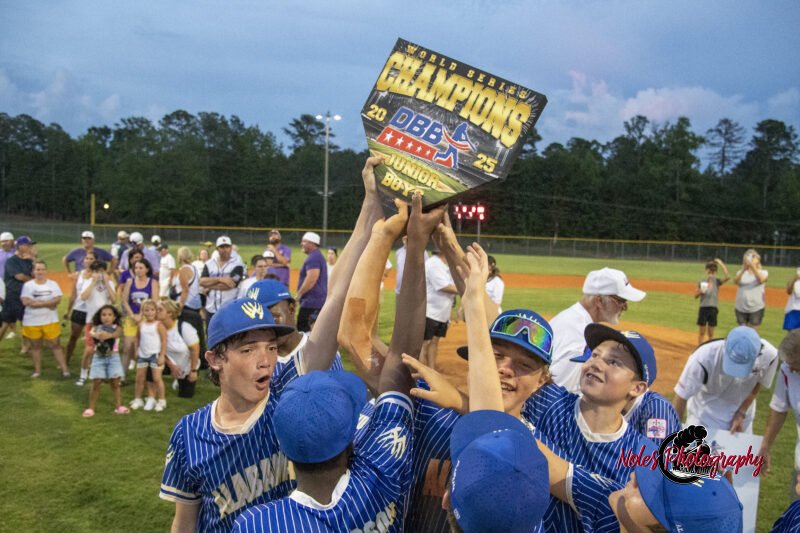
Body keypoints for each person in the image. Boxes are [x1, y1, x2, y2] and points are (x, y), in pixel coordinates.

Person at [159, 155, 387, 531]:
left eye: (269, 345)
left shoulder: (286, 397)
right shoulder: (189, 433)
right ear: (215, 359)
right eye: (248, 350)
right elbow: (184, 522)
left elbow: (336, 296)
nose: (266, 360)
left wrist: (370, 206)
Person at [233, 195, 438, 532]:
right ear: (351, 440)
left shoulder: (256, 523)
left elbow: (335, 295)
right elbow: (399, 365)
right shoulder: (379, 472)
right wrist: (414, 245)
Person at [548, 267, 646, 393]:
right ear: (599, 301)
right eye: (621, 301)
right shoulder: (578, 333)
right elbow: (558, 388)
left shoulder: (573, 319)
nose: (625, 307)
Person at [673, 325, 778, 433]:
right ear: (725, 346)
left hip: (742, 421)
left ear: (757, 354)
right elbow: (681, 396)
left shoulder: (769, 356)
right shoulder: (703, 357)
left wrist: (741, 412)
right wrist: (673, 436)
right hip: (703, 418)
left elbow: (757, 383)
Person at [758, 330, 800, 498]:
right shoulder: (787, 370)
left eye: (795, 367)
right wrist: (765, 445)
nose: (790, 369)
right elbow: (779, 409)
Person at [20, 260, 70, 378]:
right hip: (32, 321)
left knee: (56, 345)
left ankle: (65, 369)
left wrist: (36, 303)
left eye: (42, 269)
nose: (40, 272)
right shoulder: (28, 285)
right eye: (38, 269)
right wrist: (47, 303)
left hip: (50, 321)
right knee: (36, 347)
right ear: (33, 271)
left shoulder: (53, 284)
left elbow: (57, 300)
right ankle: (37, 371)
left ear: (46, 271)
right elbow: (25, 301)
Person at [74, 259, 116, 386]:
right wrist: (93, 281)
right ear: (92, 272)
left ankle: (101, 374)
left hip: (107, 323)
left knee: (106, 350)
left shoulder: (109, 283)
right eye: (96, 271)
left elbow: (113, 299)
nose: (99, 274)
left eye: (102, 271)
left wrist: (107, 282)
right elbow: (83, 297)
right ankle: (83, 374)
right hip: (92, 321)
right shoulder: (87, 282)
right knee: (89, 350)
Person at [82, 305, 128, 417]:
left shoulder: (117, 327)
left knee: (115, 383)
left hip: (114, 358)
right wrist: (97, 334)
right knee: (96, 382)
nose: (106, 317)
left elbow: (117, 334)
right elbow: (91, 333)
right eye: (104, 315)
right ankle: (91, 408)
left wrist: (107, 335)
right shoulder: (96, 327)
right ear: (99, 316)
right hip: (98, 358)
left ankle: (118, 407)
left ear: (114, 317)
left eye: (109, 315)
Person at [420, 251, 458, 369]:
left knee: (434, 342)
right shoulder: (433, 264)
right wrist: (466, 289)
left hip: (442, 313)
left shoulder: (446, 266)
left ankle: (431, 370)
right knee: (424, 344)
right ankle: (421, 373)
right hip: (430, 312)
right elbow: (443, 286)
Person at [156, 298, 201, 399]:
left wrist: (193, 371)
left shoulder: (184, 327)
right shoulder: (157, 327)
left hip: (187, 366)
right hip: (168, 362)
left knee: (185, 396)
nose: (156, 312)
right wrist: (171, 365)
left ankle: (180, 378)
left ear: (169, 313)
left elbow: (195, 350)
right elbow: (157, 350)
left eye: (160, 310)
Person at [121, 258, 159, 375]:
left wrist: (141, 315)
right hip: (131, 318)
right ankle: (122, 375)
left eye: (141, 268)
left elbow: (154, 300)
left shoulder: (152, 282)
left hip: (147, 319)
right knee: (127, 347)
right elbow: (124, 301)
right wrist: (132, 315)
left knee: (146, 348)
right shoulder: (129, 282)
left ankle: (148, 375)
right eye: (136, 268)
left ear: (147, 269)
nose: (138, 270)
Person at [130, 299, 167, 412]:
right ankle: (138, 399)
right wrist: (136, 349)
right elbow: (137, 338)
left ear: (156, 311)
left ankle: (161, 400)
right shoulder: (141, 324)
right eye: (147, 310)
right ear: (143, 312)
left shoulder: (159, 325)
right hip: (143, 355)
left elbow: (164, 341)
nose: (150, 312)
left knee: (156, 378)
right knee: (139, 378)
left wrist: (161, 356)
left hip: (155, 355)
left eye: (152, 310)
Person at [200, 235, 245, 328]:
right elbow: (201, 281)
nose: (225, 249)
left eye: (227, 246)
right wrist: (221, 279)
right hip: (211, 310)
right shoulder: (209, 264)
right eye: (222, 247)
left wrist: (210, 286)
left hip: (229, 310)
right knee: (211, 340)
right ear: (217, 249)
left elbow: (230, 285)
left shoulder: (238, 265)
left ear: (231, 248)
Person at [0, 235, 35, 346]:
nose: (30, 247)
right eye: (28, 245)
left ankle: (25, 346)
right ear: (20, 246)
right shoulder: (12, 261)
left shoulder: (28, 260)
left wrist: (33, 260)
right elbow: (20, 276)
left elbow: (36, 273)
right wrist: (33, 281)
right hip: (12, 295)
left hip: (24, 294)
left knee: (25, 321)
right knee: (5, 322)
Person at [63, 250, 97, 365]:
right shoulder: (78, 275)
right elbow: (73, 294)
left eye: (91, 259)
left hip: (93, 311)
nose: (88, 261)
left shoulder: (99, 276)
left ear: (96, 261)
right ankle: (65, 361)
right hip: (79, 310)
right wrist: (68, 310)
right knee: (73, 337)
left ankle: (92, 363)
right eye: (87, 258)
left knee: (93, 340)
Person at [172, 246, 206, 358]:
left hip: (186, 305)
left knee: (185, 332)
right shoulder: (194, 268)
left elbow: (185, 290)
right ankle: (199, 356)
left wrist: (179, 307)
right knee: (197, 333)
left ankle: (189, 357)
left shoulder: (183, 270)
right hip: (195, 304)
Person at [296, 231, 327, 332]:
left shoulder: (313, 258)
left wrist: (299, 294)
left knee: (305, 330)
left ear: (312, 243)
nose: (302, 244)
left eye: (304, 241)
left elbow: (311, 279)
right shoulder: (316, 256)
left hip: (312, 302)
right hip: (315, 301)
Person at [695, 258, 731, 344]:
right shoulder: (702, 281)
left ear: (715, 272)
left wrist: (721, 263)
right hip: (704, 307)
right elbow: (695, 295)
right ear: (706, 271)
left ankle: (709, 348)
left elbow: (728, 277)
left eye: (712, 271)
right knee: (702, 333)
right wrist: (701, 291)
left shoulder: (716, 281)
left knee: (710, 333)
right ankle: (699, 348)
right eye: (709, 271)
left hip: (712, 309)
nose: (711, 273)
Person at [734, 248, 768, 330]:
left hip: (756, 308)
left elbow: (761, 280)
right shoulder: (740, 272)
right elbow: (736, 281)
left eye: (753, 257)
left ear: (758, 260)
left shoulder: (763, 272)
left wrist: (753, 267)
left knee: (752, 333)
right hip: (741, 307)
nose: (751, 259)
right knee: (742, 332)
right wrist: (743, 269)